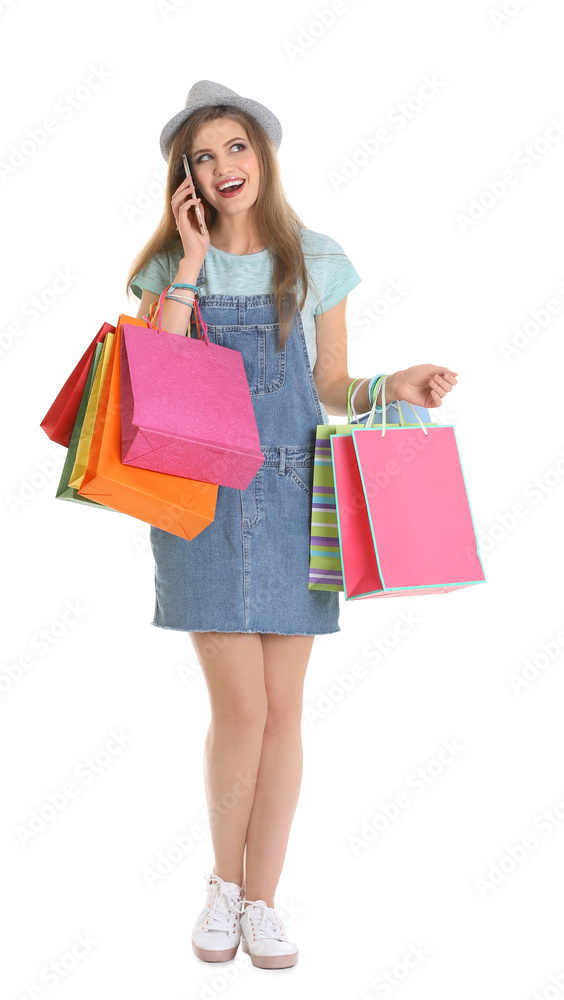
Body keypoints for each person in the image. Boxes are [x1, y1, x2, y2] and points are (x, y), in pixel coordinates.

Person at [126, 80, 458, 971]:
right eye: (203, 157)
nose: (223, 166)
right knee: (239, 711)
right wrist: (190, 263)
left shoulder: (315, 259)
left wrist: (392, 388)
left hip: (295, 497)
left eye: (236, 147)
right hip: (201, 503)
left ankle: (263, 900)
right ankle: (222, 887)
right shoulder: (168, 267)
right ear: (185, 179)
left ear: (263, 155)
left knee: (284, 714)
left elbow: (326, 388)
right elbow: (156, 371)